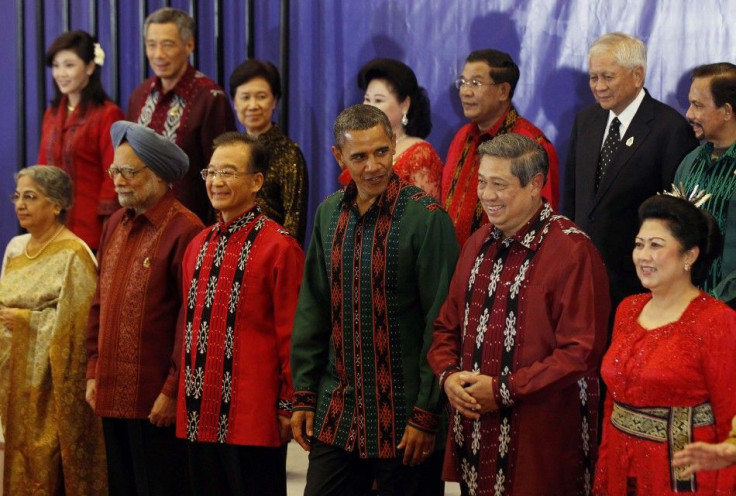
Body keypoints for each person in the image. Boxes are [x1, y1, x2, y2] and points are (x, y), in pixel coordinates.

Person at [290, 104, 459, 496]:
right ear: (339, 156)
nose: (373, 166)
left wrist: (425, 415)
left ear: (394, 144)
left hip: (404, 420)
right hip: (339, 413)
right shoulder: (328, 214)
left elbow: (443, 323)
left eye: (382, 151)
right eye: (359, 156)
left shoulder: (428, 219)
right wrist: (303, 396)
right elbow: (313, 309)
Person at [429, 133, 610, 495]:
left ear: (536, 185)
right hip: (476, 437)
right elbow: (446, 327)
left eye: (499, 184)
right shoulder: (477, 242)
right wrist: (448, 377)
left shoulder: (573, 250)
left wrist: (503, 389)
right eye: (481, 182)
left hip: (540, 443)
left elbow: (581, 352)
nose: (486, 195)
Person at [177, 132, 305, 495]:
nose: (216, 182)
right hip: (199, 411)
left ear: (257, 182)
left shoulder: (280, 246)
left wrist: (288, 404)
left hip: (253, 416)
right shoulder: (198, 246)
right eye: (211, 172)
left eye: (229, 172)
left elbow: (292, 335)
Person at [85, 122, 203, 496]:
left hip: (156, 401)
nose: (117, 180)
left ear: (159, 176)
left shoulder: (186, 229)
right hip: (110, 390)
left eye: (129, 172)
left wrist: (172, 390)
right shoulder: (116, 223)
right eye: (114, 170)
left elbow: (190, 321)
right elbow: (99, 302)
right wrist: (93, 369)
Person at [595, 194, 736, 495]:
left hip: (682, 479)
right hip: (621, 471)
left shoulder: (717, 321)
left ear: (689, 255)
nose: (643, 256)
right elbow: (612, 403)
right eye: (639, 244)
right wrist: (603, 476)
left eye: (656, 245)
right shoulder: (628, 309)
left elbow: (730, 422)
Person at [563, 32, 698, 312]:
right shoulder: (585, 121)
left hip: (638, 282)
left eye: (608, 77)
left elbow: (676, 214)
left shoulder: (669, 129)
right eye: (593, 77)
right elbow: (573, 196)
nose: (598, 86)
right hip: (582, 276)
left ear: (637, 75)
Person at [0, 166, 106, 495]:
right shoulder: (15, 247)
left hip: (49, 385)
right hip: (10, 374)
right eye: (17, 196)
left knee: (46, 463)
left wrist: (28, 321)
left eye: (31, 197)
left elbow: (78, 326)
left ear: (57, 204)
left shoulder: (74, 254)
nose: (20, 204)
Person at [127, 7, 236, 224]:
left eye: (168, 44)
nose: (158, 54)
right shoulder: (140, 95)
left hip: (189, 228)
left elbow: (222, 174)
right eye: (151, 44)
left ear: (189, 45)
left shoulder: (210, 98)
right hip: (141, 222)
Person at [442, 49, 560, 246]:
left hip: (506, 264)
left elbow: (542, 221)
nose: (465, 91)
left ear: (503, 91)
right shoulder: (461, 137)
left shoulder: (532, 144)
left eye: (476, 83)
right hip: (456, 265)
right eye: (463, 82)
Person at [38, 30, 124, 251]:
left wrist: (108, 227)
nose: (60, 73)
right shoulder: (52, 114)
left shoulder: (107, 114)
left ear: (90, 67)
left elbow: (113, 175)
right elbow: (41, 171)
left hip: (91, 231)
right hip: (51, 228)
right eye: (56, 66)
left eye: (69, 65)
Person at [674, 63, 736, 307]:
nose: (688, 114)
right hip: (690, 308)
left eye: (698, 105)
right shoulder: (690, 162)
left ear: (727, 111)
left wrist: (714, 302)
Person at [337, 58, 443, 200]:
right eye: (367, 99)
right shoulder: (357, 148)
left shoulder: (420, 153)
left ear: (404, 104)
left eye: (378, 100)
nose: (369, 107)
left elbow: (426, 215)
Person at [229, 59, 309, 243]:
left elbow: (294, 224)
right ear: (234, 102)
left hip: (271, 254)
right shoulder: (228, 151)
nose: (253, 105)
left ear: (274, 101)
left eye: (261, 96)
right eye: (245, 97)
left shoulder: (289, 153)